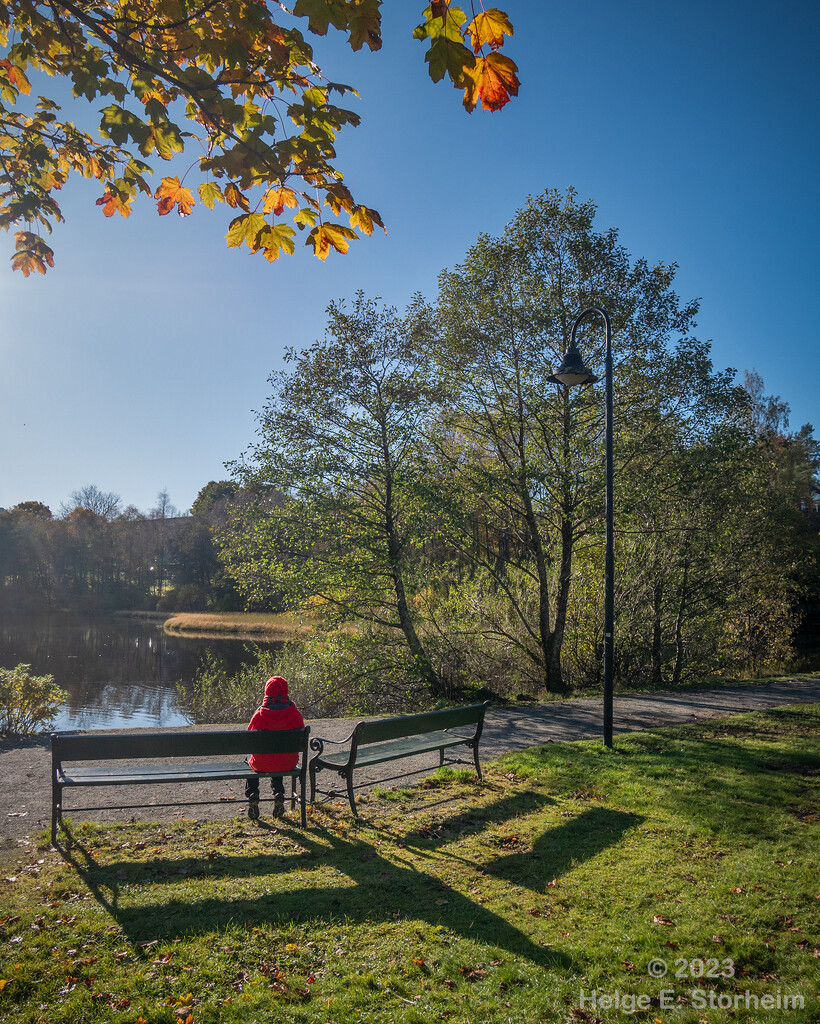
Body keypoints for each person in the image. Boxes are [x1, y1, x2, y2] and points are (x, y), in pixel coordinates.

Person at [244, 675, 305, 820]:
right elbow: (302, 735)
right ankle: (279, 793)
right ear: (286, 692)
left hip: (262, 763)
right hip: (287, 763)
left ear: (267, 693)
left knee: (250, 757)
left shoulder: (259, 714)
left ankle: (253, 793)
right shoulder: (295, 714)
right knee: (279, 758)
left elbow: (249, 739)